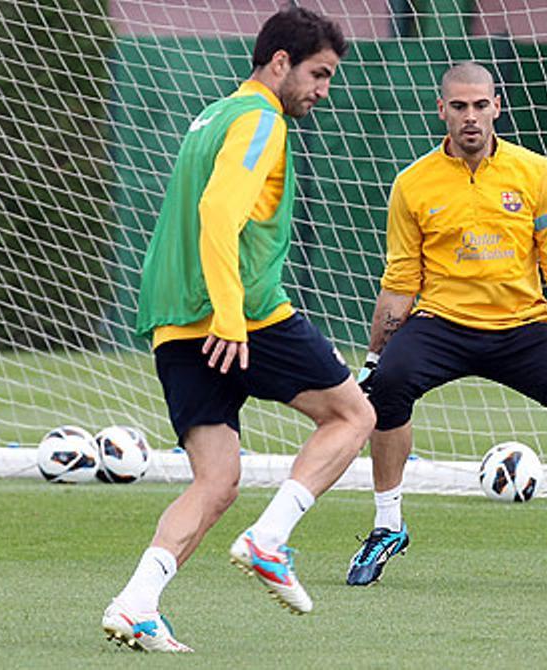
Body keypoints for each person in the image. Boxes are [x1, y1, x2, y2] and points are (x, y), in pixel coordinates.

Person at [102, 7, 375, 653]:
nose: (323, 90)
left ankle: (136, 603)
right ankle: (270, 539)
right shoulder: (259, 118)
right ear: (280, 62)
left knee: (217, 479)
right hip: (240, 316)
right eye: (318, 73)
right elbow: (219, 212)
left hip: (174, 323)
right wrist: (229, 316)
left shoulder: (211, 116)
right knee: (353, 415)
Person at [345, 62, 547, 591]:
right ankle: (387, 525)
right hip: (441, 323)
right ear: (442, 110)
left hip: (522, 325)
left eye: (480, 105)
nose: (471, 117)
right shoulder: (412, 183)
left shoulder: (536, 173)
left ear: (497, 107)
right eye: (459, 106)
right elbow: (401, 281)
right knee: (387, 386)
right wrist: (372, 361)